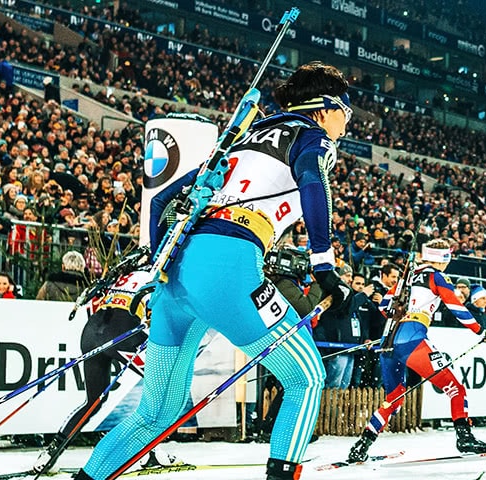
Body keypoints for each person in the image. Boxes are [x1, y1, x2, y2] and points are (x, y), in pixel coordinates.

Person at [74, 62, 355, 480]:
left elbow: (162, 197)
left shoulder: (239, 141)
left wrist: (156, 258)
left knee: (157, 412)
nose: (345, 127)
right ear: (324, 107)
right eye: (346, 115)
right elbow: (313, 182)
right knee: (306, 377)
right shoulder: (310, 135)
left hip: (177, 275)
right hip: (229, 265)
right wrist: (324, 265)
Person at [346, 239, 486, 464]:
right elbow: (455, 306)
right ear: (443, 258)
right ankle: (465, 438)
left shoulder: (407, 277)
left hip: (389, 341)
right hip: (412, 338)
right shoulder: (435, 276)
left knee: (394, 398)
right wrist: (479, 330)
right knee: (456, 389)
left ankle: (362, 444)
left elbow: (383, 306)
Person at [32, 249, 153, 474]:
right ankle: (145, 453)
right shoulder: (154, 274)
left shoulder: (121, 274)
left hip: (91, 333)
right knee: (162, 387)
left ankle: (51, 452)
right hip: (120, 333)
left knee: (94, 401)